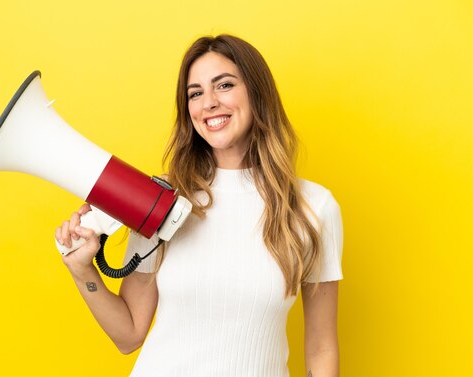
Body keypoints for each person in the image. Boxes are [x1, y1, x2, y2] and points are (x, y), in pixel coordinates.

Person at [55, 34, 343, 377]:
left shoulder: (313, 207)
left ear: (257, 93)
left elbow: (321, 347)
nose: (208, 103)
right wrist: (83, 271)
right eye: (195, 93)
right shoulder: (160, 199)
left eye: (224, 85)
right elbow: (128, 335)